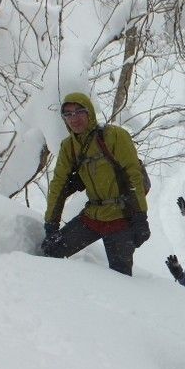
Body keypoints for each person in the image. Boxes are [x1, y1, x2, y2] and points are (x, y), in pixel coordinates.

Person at [41, 92, 150, 276]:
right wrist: (51, 223)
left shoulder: (115, 136)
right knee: (52, 250)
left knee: (121, 277)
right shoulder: (69, 146)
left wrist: (140, 218)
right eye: (67, 114)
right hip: (93, 216)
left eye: (79, 112)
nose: (73, 118)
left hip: (120, 218)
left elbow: (133, 176)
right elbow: (58, 184)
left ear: (89, 112)